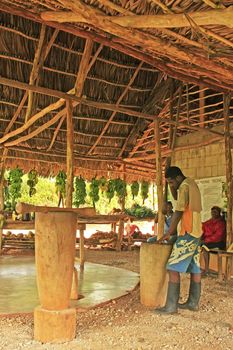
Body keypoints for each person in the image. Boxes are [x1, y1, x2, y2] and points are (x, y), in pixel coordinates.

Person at [155, 166, 202, 314]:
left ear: (177, 178)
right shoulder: (191, 183)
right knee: (195, 268)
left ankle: (170, 307)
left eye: (171, 182)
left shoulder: (184, 187)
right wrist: (171, 186)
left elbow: (179, 211)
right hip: (197, 232)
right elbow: (176, 198)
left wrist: (169, 232)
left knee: (173, 268)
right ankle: (193, 303)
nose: (171, 186)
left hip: (188, 232)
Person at [201, 206, 226, 275]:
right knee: (197, 244)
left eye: (215, 212)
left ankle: (206, 270)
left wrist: (205, 240)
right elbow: (204, 226)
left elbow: (218, 236)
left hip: (219, 243)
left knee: (204, 247)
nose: (213, 213)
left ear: (219, 213)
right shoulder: (211, 221)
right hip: (210, 241)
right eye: (212, 212)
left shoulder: (221, 223)